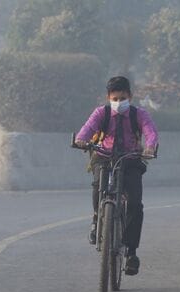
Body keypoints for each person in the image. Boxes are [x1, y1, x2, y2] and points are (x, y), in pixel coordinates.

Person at [75, 76, 158, 276]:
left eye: (123, 98)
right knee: (98, 185)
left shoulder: (139, 114)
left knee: (136, 204)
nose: (119, 102)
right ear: (108, 97)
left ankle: (131, 252)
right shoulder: (100, 113)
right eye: (115, 98)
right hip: (104, 157)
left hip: (130, 159)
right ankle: (97, 220)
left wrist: (149, 146)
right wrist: (81, 140)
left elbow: (151, 132)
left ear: (130, 96)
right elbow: (86, 130)